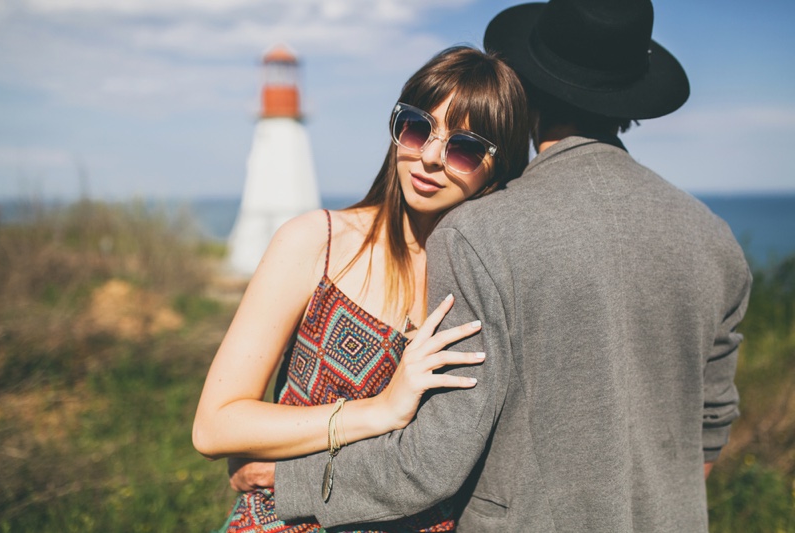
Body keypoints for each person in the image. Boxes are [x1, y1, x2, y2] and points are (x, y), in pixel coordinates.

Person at [268, 1, 752, 532]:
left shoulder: (480, 233)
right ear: (629, 101)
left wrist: (291, 479)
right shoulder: (714, 240)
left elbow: (434, 462)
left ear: (526, 90)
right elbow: (710, 428)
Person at [192, 45, 530, 532]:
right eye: (417, 127)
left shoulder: (492, 283)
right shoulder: (318, 241)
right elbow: (215, 425)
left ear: (498, 166)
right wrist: (379, 411)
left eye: (464, 147)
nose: (430, 158)